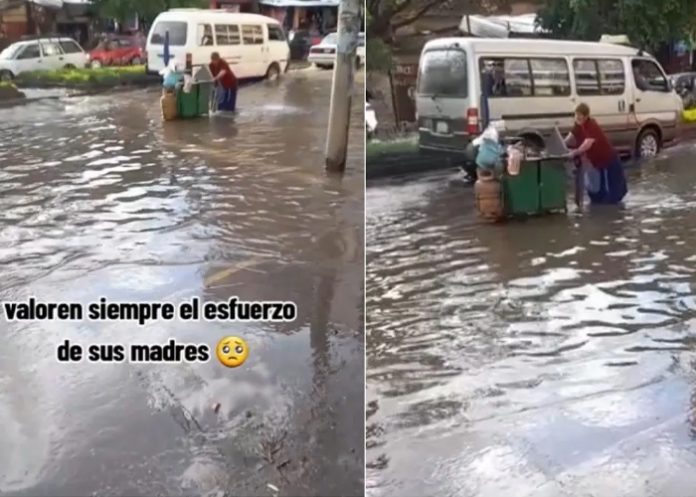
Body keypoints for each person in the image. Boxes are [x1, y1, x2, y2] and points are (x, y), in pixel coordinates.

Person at [565, 103, 627, 204]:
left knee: (615, 192)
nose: (577, 117)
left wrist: (574, 152)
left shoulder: (591, 125)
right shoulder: (578, 125)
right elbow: (570, 136)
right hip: (597, 162)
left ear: (586, 116)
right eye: (576, 115)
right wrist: (561, 147)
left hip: (609, 159)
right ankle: (600, 209)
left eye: (580, 115)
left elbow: (588, 143)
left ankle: (614, 212)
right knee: (597, 192)